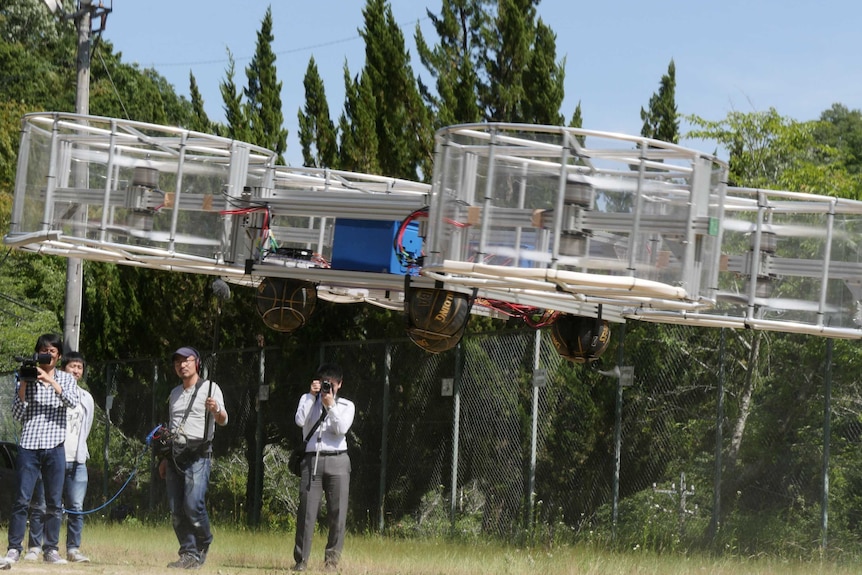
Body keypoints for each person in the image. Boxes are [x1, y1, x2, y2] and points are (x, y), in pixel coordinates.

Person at [2, 334, 80, 567]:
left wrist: (50, 380)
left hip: (54, 445)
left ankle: (51, 549)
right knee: (22, 500)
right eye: (44, 351)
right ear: (37, 353)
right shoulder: (26, 378)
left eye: (52, 351)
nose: (48, 355)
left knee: (54, 501)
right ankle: (14, 548)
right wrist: (25, 383)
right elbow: (17, 415)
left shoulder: (66, 379)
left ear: (58, 355)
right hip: (28, 446)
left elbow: (72, 402)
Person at [158, 346, 227, 570]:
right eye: (177, 361)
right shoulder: (174, 393)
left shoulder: (210, 388)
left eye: (186, 360)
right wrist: (165, 459)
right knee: (176, 509)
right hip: (175, 455)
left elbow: (223, 419)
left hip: (199, 455)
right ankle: (188, 553)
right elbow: (171, 428)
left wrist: (215, 409)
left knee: (193, 503)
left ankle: (203, 540)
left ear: (197, 362)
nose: (182, 365)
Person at [23, 351, 95, 563]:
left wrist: (80, 449)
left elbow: (86, 426)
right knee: (43, 504)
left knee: (76, 507)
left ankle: (73, 549)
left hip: (77, 459)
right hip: (51, 456)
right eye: (72, 366)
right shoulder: (48, 389)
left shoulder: (86, 398)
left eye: (79, 367)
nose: (76, 370)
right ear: (63, 368)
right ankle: (36, 547)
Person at [292, 363, 355, 572]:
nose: (328, 388)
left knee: (338, 513)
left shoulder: (346, 405)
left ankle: (331, 562)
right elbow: (300, 421)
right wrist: (312, 397)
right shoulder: (307, 400)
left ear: (340, 384)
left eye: (332, 384)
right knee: (307, 512)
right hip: (312, 460)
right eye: (324, 383)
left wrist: (330, 405)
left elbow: (341, 429)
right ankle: (301, 560)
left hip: (338, 460)